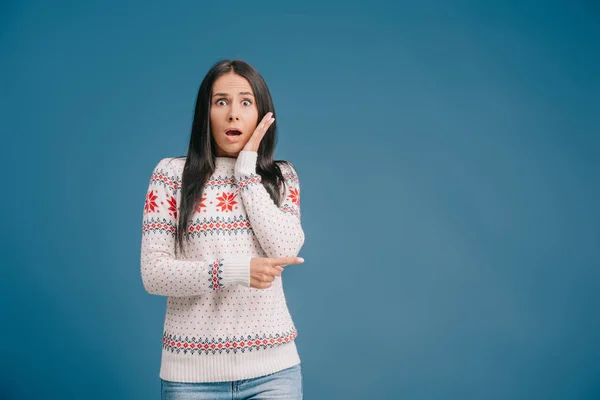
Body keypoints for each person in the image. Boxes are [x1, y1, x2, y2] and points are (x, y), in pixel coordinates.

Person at [140, 59, 306, 400]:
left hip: (274, 374)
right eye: (221, 102)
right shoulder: (170, 175)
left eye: (246, 102)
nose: (233, 113)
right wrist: (233, 271)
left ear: (262, 114)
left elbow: (286, 247)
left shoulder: (281, 176)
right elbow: (154, 274)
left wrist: (246, 172)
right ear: (206, 113)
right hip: (190, 378)